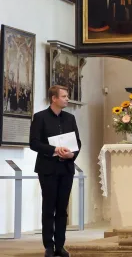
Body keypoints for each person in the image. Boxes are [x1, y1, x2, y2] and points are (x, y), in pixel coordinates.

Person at [29, 85, 81, 257]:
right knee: (49, 207)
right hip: (48, 168)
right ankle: (49, 246)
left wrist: (71, 154)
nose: (67, 99)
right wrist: (54, 149)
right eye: (64, 96)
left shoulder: (70, 118)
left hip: (66, 168)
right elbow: (34, 143)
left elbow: (77, 143)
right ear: (54, 98)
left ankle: (60, 245)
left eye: (67, 96)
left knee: (62, 208)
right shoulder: (40, 117)